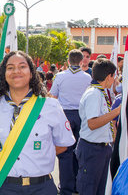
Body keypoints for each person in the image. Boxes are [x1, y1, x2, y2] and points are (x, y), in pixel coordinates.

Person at [0, 51, 75, 195]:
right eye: (10, 68)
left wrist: (38, 156)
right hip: (2, 187)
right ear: (4, 74)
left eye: (22, 66)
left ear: (31, 73)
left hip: (41, 187)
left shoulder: (51, 106)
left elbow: (63, 144)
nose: (16, 71)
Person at [76, 58, 121, 195]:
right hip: (92, 149)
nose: (114, 80)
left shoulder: (99, 92)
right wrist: (116, 111)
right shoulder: (94, 94)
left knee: (99, 189)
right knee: (89, 189)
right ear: (109, 77)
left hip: (100, 148)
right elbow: (93, 123)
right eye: (114, 76)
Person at [49, 49, 91, 195]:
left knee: (65, 152)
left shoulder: (60, 76)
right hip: (81, 115)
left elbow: (52, 95)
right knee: (79, 151)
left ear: (68, 61)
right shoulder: (87, 78)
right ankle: (78, 186)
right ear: (81, 61)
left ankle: (66, 188)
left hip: (64, 115)